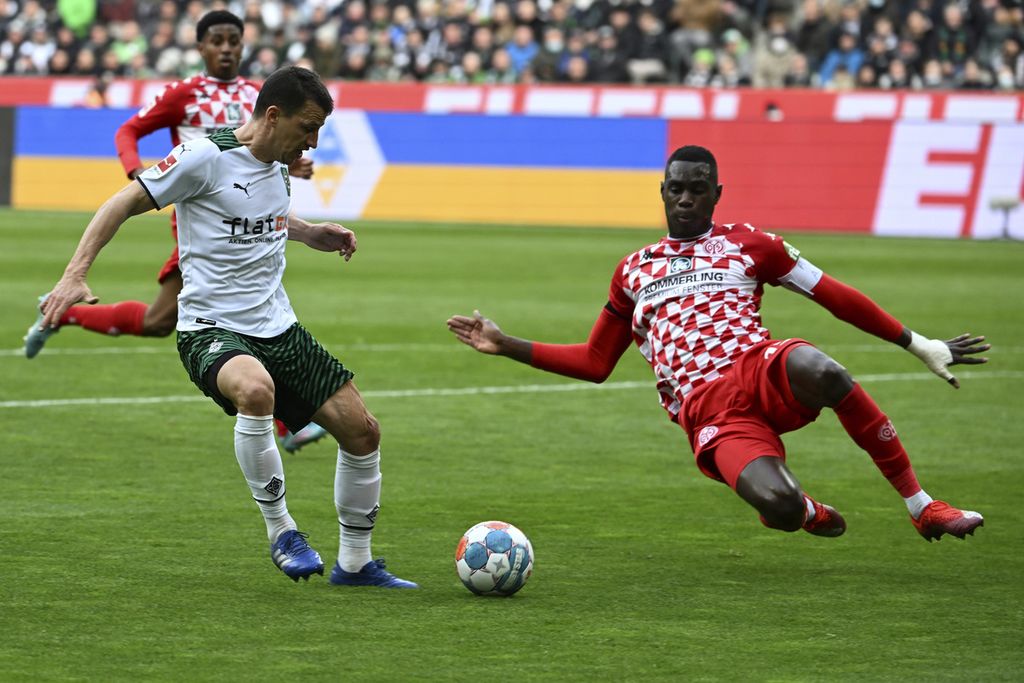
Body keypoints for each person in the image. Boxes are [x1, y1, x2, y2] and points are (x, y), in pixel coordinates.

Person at [448, 145, 988, 543]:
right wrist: (505, 342)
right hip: (709, 408)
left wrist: (917, 343)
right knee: (776, 505)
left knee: (824, 371)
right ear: (662, 191)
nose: (685, 199)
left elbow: (833, 295)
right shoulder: (633, 270)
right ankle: (801, 510)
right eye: (676, 188)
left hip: (760, 366)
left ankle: (922, 506)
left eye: (697, 189)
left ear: (717, 194)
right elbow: (594, 362)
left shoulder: (753, 245)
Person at [36, 66, 417, 587]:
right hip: (210, 327)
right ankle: (282, 530)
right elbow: (121, 202)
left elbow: (262, 214)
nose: (313, 141)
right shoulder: (203, 156)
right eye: (308, 127)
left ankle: (354, 563)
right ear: (273, 115)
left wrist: (308, 233)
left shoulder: (280, 160)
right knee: (255, 391)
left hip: (278, 327)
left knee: (363, 432)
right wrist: (74, 274)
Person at [23, 10, 326, 453]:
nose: (226, 49)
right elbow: (130, 129)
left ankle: (65, 314)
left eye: (234, 41)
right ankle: (283, 421)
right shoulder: (183, 94)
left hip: (247, 219)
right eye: (217, 41)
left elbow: (264, 151)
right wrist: (137, 174)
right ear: (200, 47)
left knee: (161, 321)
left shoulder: (259, 96)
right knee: (197, 316)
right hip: (202, 222)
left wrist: (292, 162)